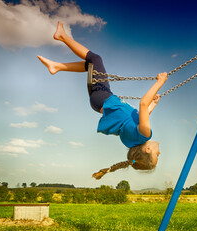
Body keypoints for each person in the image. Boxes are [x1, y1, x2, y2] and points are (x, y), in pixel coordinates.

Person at [38, 21, 167, 180]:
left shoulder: (145, 135)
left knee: (95, 58)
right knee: (90, 65)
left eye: (157, 155)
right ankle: (56, 66)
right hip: (99, 101)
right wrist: (155, 102)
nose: (159, 152)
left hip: (104, 98)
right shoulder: (131, 142)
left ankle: (62, 36)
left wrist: (160, 82)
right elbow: (141, 115)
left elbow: (143, 104)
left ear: (147, 150)